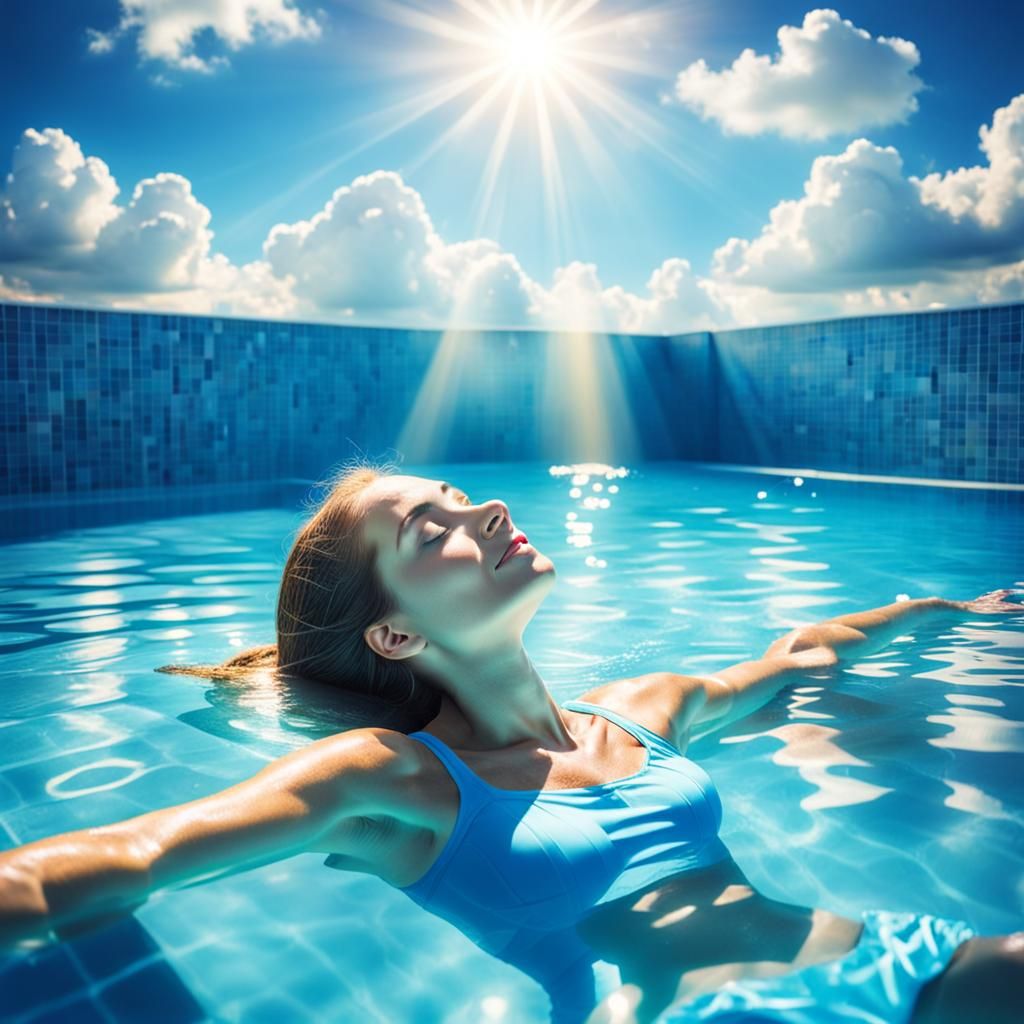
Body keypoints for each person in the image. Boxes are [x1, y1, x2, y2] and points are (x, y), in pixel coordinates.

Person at [1, 463, 1022, 1024]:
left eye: (460, 497)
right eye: (431, 528)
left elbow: (802, 654)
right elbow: (133, 855)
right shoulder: (397, 776)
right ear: (397, 637)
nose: (487, 508)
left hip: (892, 959)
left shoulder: (639, 710)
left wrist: (945, 611)